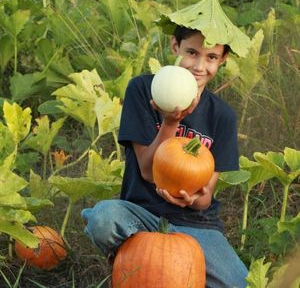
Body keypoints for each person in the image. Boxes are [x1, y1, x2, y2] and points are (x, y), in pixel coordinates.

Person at [81, 24, 248, 287]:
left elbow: (205, 200)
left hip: (196, 225)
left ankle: (176, 272)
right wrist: (170, 123)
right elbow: (148, 171)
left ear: (222, 60)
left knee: (241, 284)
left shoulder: (222, 116)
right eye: (192, 52)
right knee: (103, 218)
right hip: (140, 216)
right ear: (175, 46)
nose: (199, 66)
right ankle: (136, 263)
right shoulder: (143, 90)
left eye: (211, 57)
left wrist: (191, 199)